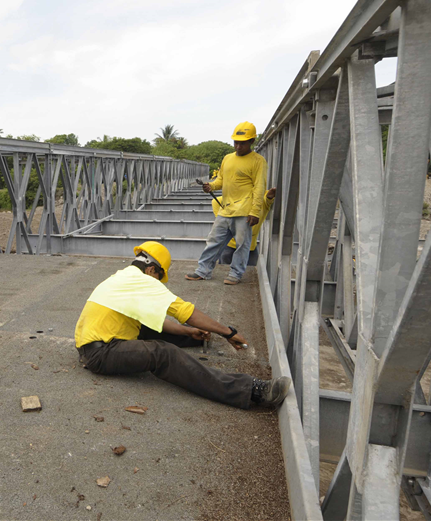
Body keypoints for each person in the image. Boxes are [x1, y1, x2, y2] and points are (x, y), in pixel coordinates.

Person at [76, 241, 291, 409]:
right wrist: (228, 332)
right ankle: (251, 391)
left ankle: (193, 339)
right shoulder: (144, 281)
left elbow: (154, 323)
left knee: (148, 328)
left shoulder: (122, 277)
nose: (158, 282)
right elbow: (186, 312)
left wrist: (189, 332)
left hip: (92, 344)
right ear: (152, 270)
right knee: (163, 354)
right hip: (101, 353)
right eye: (160, 277)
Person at [187, 122, 267, 285]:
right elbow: (221, 180)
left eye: (242, 143)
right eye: (235, 142)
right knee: (214, 240)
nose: (238, 146)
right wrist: (211, 186)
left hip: (245, 210)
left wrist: (254, 211)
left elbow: (259, 187)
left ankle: (235, 273)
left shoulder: (259, 161)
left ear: (251, 141)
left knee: (241, 246)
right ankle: (203, 270)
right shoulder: (227, 158)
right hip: (226, 209)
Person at [214, 187, 276, 267]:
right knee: (225, 271)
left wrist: (269, 196)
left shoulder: (261, 202)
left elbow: (267, 200)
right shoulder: (226, 200)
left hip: (250, 247)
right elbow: (216, 202)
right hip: (230, 246)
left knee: (250, 272)